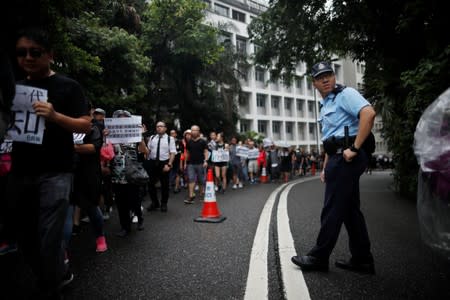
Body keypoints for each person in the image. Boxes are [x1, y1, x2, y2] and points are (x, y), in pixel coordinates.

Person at [6, 27, 91, 298]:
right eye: (21, 53)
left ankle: (50, 286)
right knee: (24, 237)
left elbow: (86, 125)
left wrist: (55, 117)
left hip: (56, 171)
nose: (28, 58)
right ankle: (57, 273)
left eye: (35, 52)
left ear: (50, 55)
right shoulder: (13, 88)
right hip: (20, 170)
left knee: (50, 237)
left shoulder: (68, 86)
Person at [291, 61, 376, 274]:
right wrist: (325, 166)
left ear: (334, 77)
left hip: (348, 158)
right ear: (314, 83)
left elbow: (369, 114)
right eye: (320, 77)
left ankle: (319, 257)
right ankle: (362, 259)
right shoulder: (326, 104)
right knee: (349, 210)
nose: (326, 79)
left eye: (328, 74)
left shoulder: (345, 94)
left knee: (332, 207)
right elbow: (331, 139)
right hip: (337, 157)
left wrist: (355, 148)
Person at [109, 110, 147, 236]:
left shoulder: (135, 136)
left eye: (126, 119)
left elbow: (144, 151)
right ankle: (125, 227)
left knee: (134, 200)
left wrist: (140, 136)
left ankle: (139, 217)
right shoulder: (111, 136)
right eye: (120, 119)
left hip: (133, 174)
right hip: (117, 174)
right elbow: (106, 153)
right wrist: (105, 138)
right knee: (120, 202)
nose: (123, 121)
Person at [143, 121, 176, 212]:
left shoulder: (170, 139)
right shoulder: (152, 138)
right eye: (157, 126)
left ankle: (164, 203)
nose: (159, 128)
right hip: (152, 163)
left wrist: (169, 164)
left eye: (161, 126)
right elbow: (148, 150)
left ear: (165, 128)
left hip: (164, 163)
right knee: (150, 184)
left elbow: (173, 152)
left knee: (164, 185)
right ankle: (155, 203)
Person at [184, 125, 208, 204]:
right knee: (191, 179)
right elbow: (187, 152)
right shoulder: (189, 142)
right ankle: (191, 196)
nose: (194, 132)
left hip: (201, 163)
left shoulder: (203, 141)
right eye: (192, 130)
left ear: (198, 131)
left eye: (195, 130)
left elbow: (206, 151)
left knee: (201, 180)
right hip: (191, 163)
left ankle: (202, 194)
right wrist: (185, 163)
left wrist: (205, 161)